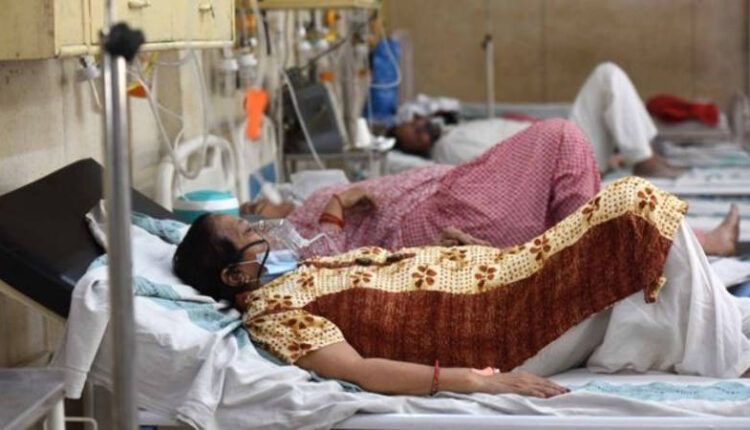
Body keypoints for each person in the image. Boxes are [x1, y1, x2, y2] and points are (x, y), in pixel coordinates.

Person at [173, 176, 750, 398]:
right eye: (246, 234)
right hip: (491, 324)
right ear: (233, 276)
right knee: (632, 210)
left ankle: (726, 332)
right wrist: (475, 380)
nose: (259, 231)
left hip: (498, 276)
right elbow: (358, 369)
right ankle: (732, 356)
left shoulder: (295, 274)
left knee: (633, 219)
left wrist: (456, 255)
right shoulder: (273, 314)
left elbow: (369, 269)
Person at [245, 119, 739, 256]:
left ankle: (695, 242)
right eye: (249, 214)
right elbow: (325, 261)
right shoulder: (288, 237)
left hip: (444, 193)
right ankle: (588, 256)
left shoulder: (297, 203)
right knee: (560, 138)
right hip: (433, 220)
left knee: (592, 205)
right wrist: (339, 200)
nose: (257, 205)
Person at [392, 62, 685, 178]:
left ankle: (642, 153)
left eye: (416, 123)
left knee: (607, 77)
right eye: (417, 136)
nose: (422, 127)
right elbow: (505, 165)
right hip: (562, 155)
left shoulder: (454, 130)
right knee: (606, 76)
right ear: (421, 150)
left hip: (564, 142)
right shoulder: (449, 148)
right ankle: (642, 157)